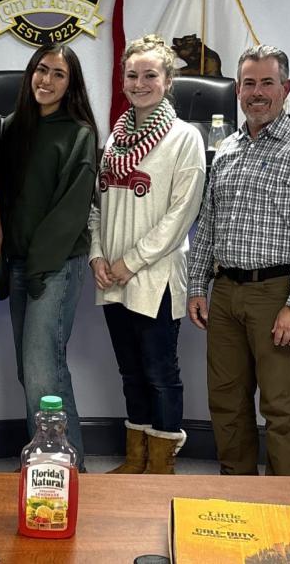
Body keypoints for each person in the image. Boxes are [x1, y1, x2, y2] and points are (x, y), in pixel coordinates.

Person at [187, 44, 290, 477]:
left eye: (267, 83)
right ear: (237, 90)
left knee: (280, 408)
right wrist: (198, 285)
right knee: (226, 402)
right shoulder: (228, 151)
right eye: (249, 83)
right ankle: (238, 496)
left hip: (277, 295)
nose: (257, 92)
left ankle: (282, 506)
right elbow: (209, 227)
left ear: (285, 89)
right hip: (226, 292)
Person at [89, 35, 205, 475]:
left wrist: (130, 261)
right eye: (132, 75)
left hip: (154, 274)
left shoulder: (183, 138)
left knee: (160, 372)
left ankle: (161, 463)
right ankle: (135, 457)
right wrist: (98, 256)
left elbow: (181, 214)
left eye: (150, 75)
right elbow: (95, 205)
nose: (140, 83)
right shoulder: (116, 137)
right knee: (130, 372)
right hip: (112, 275)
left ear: (168, 80)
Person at [0, 44, 98, 468]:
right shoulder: (12, 126)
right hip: (20, 264)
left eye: (58, 74)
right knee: (33, 372)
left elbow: (71, 211)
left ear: (70, 83)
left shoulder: (79, 134)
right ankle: (46, 458)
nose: (46, 81)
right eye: (41, 70)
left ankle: (65, 468)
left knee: (44, 372)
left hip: (54, 267)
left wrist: (38, 265)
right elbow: (1, 195)